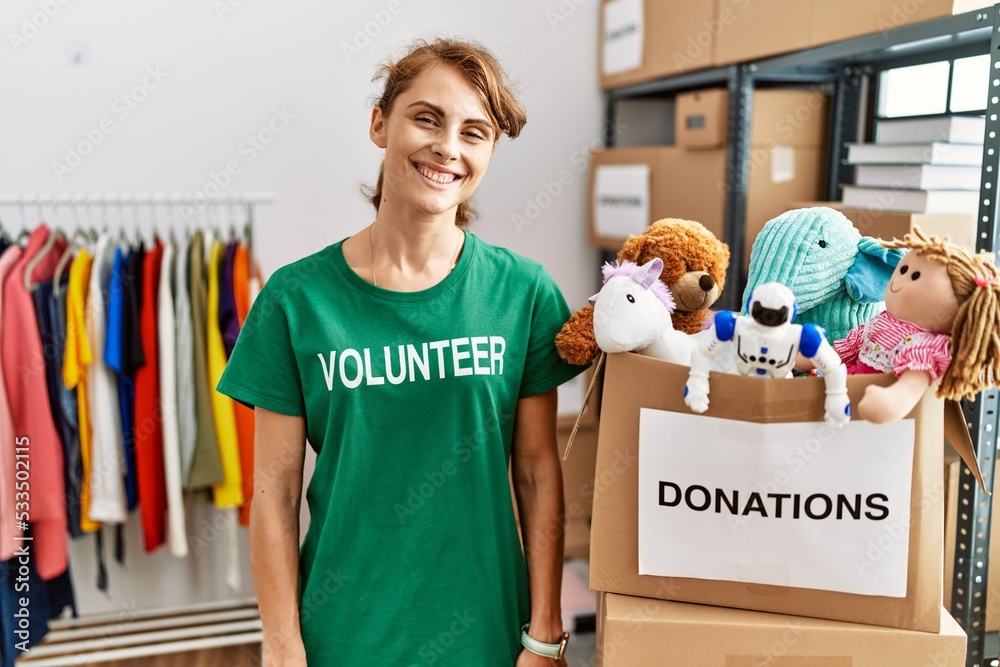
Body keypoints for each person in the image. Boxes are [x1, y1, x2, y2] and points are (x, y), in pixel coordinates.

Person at [217, 37, 587, 666]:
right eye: (427, 118)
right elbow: (274, 490)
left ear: (489, 153)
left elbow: (536, 472)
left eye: (475, 132)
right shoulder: (296, 299)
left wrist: (544, 632)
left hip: (487, 635)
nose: (448, 146)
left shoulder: (522, 291)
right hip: (342, 635)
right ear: (379, 122)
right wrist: (281, 645)